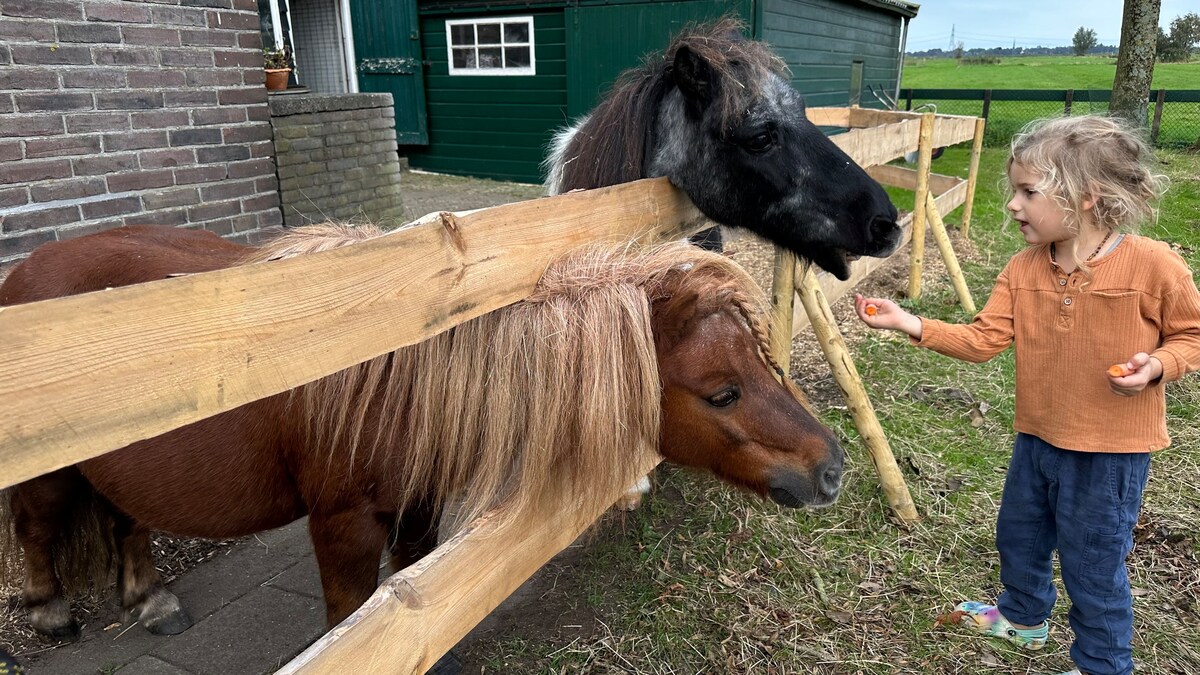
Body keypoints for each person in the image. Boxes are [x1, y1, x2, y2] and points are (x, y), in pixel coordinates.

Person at [855, 114, 1200, 675]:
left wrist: (1158, 364)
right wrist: (909, 323)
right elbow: (984, 339)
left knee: (1093, 565)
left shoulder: (1154, 265)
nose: (1013, 205)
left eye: (1028, 191)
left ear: (1086, 198)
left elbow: (1192, 334)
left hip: (1109, 453)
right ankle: (1023, 616)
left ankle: (1102, 663)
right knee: (1020, 534)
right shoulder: (1022, 269)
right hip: (1036, 438)